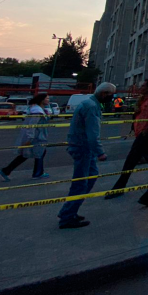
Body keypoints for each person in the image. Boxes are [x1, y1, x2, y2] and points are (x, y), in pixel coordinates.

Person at [106, 79, 148, 207]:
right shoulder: (142, 99)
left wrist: (146, 129)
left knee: (130, 161)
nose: (141, 88)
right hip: (140, 133)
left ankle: (119, 187)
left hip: (144, 134)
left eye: (143, 86)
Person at [57, 83, 115, 229]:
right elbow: (92, 133)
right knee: (81, 183)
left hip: (81, 146)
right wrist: (100, 152)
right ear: (104, 93)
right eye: (110, 95)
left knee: (91, 176)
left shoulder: (89, 103)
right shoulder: (92, 107)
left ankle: (69, 211)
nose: (112, 98)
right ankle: (67, 216)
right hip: (83, 147)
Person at [0, 93, 52, 181]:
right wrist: (30, 138)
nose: (48, 100)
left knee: (27, 155)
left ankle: (6, 170)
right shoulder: (37, 111)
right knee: (38, 154)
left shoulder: (39, 109)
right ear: (42, 100)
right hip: (36, 137)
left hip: (38, 136)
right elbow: (32, 125)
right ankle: (37, 173)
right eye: (47, 98)